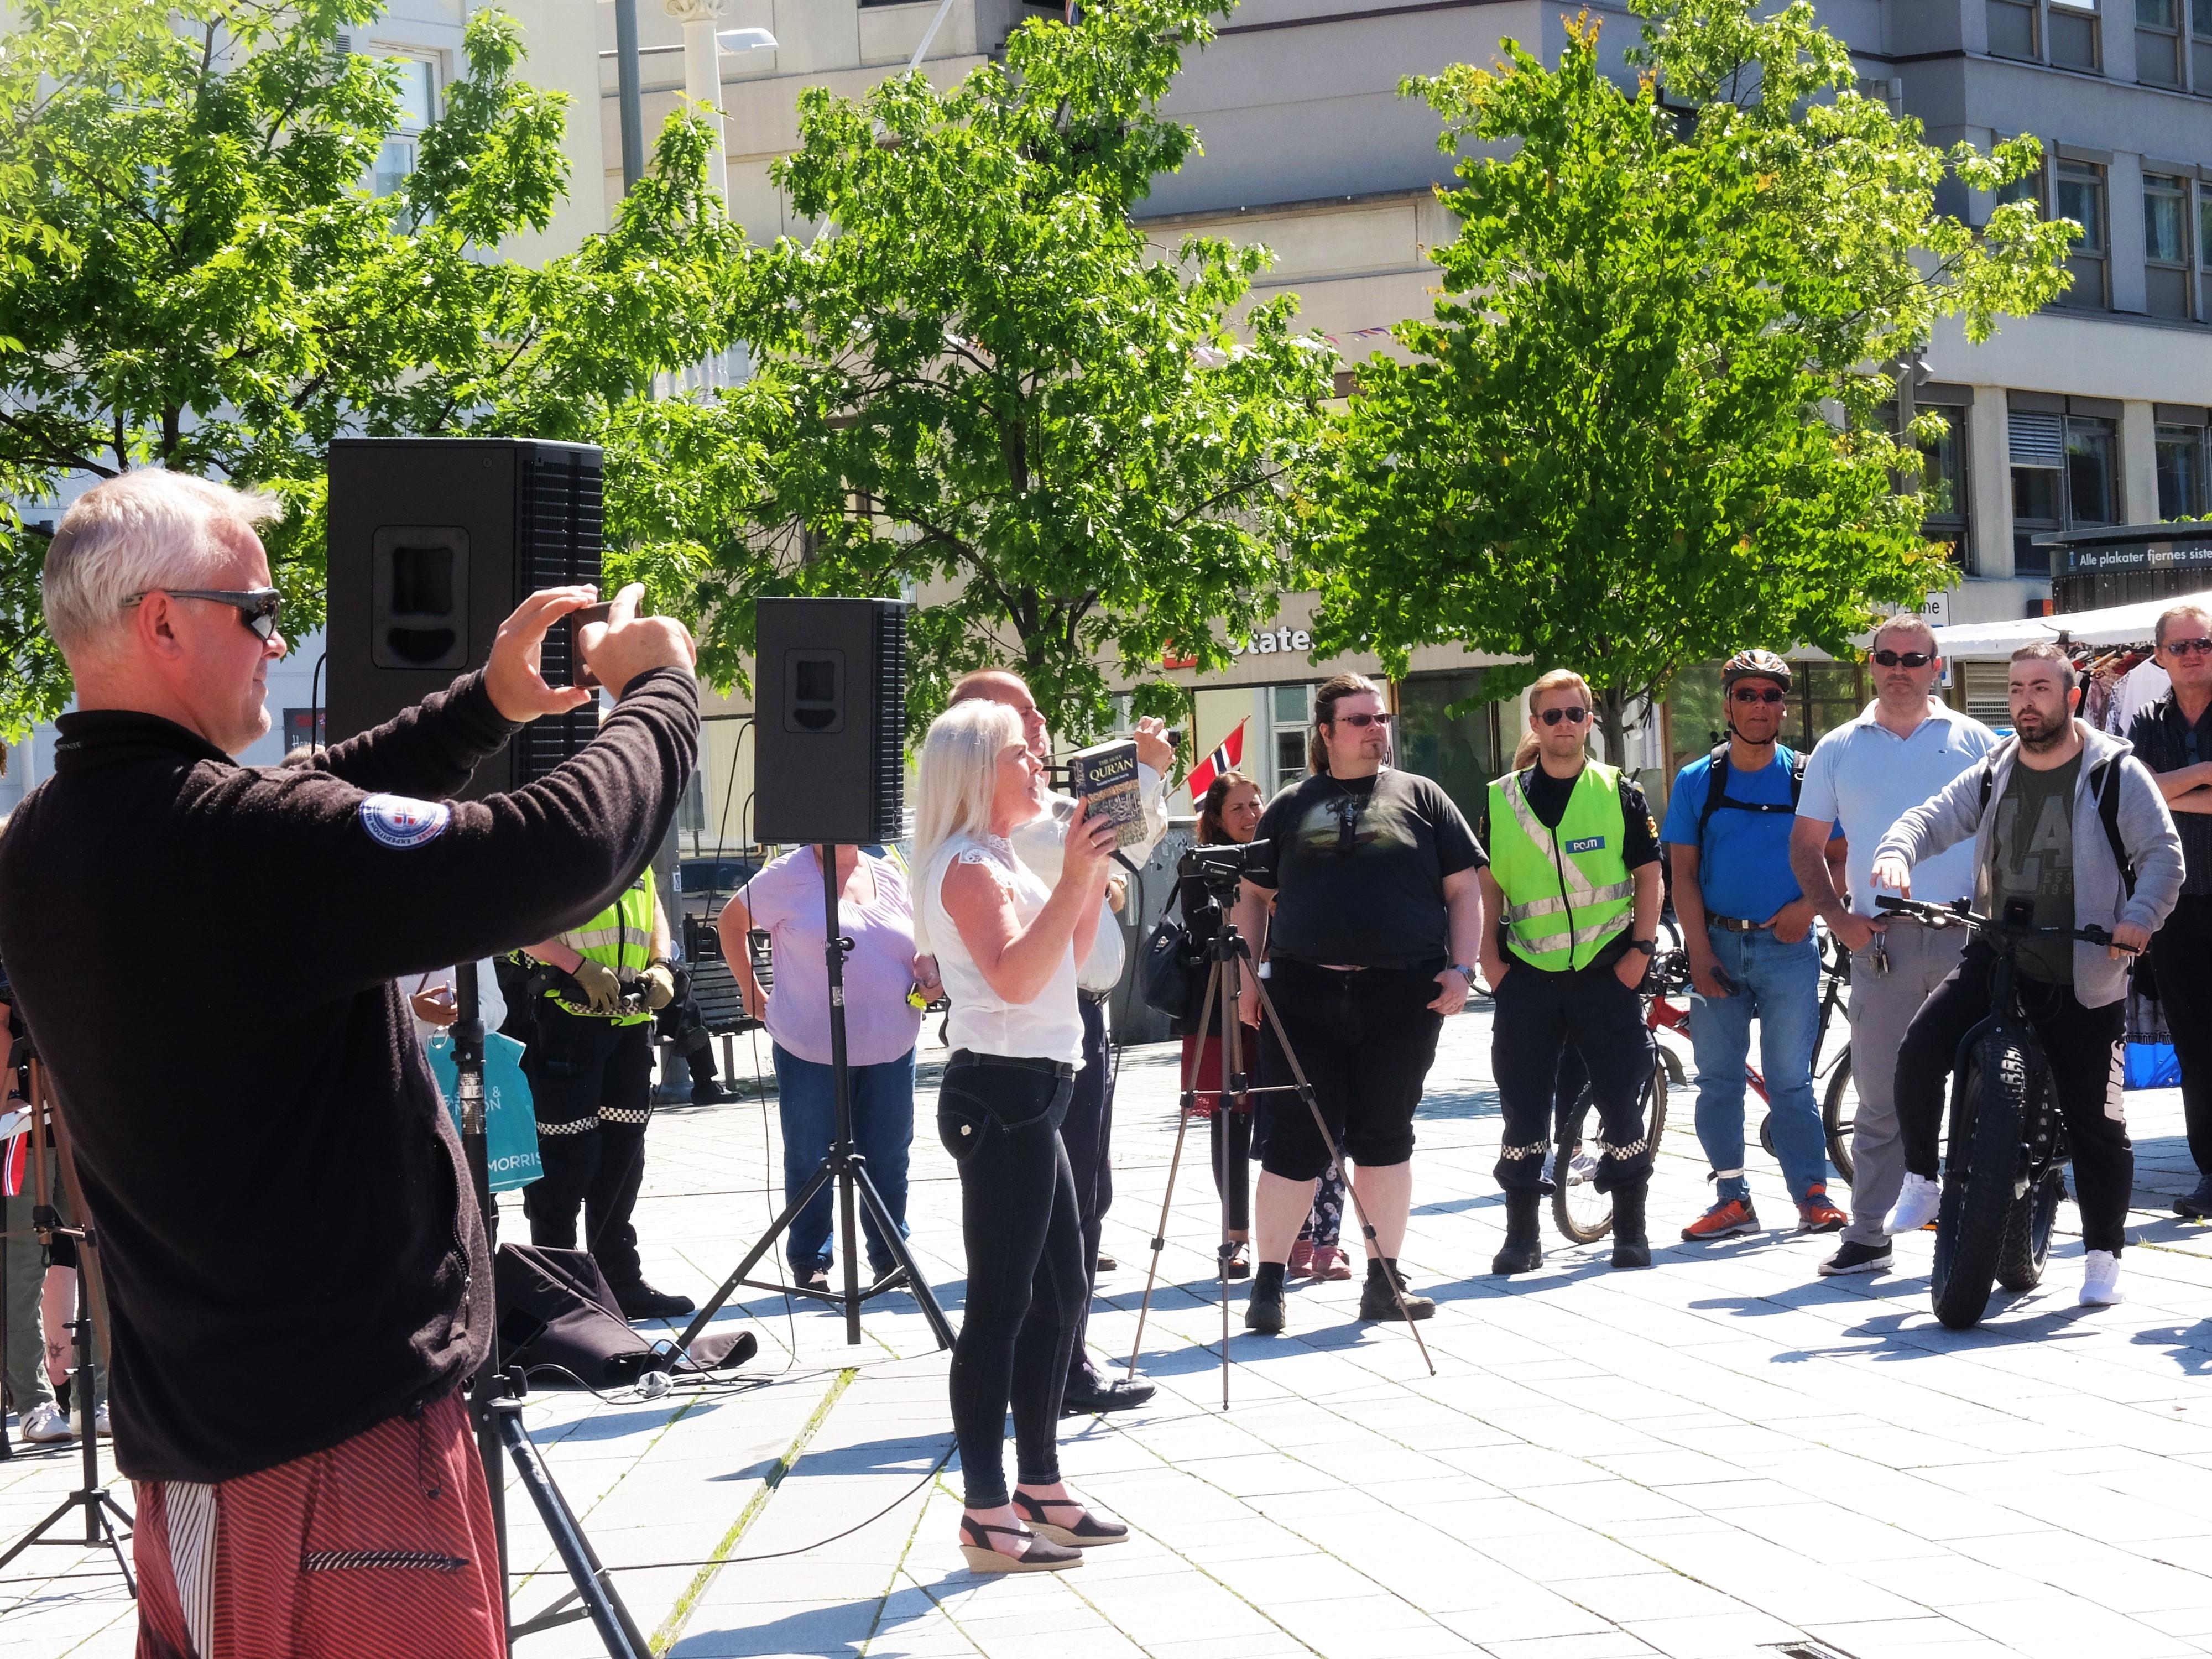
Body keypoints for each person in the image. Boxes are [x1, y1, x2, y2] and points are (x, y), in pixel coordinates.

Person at [0, 468, 698, 1652]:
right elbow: (555, 850)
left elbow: (307, 806)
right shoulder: (229, 845)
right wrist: (661, 692)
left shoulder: (53, 839)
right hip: (325, 1450)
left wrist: (485, 704)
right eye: (258, 613)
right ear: (161, 622)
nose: (280, 644)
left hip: (240, 1433)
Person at [1874, 641, 2181, 1306]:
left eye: (2040, 688)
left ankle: (2102, 1252)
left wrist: (2139, 918)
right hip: (1997, 952)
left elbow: (2162, 858)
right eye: (2015, 689)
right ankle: (1923, 1178)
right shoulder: (1994, 768)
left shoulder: (2113, 774)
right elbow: (1927, 819)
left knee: (2097, 1122)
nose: (2024, 701)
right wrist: (1898, 852)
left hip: (2084, 965)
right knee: (1919, 1052)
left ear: (2072, 696)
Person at [918, 697, 1127, 1574]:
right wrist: (1075, 880)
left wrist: (1092, 871)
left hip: (1036, 1084)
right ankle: (984, 1508)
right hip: (1000, 1090)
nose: (1040, 767)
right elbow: (1009, 980)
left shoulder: (1001, 856)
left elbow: (1068, 966)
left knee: (1062, 1292)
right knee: (1002, 1307)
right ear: (977, 771)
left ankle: (1039, 1485)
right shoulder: (967, 865)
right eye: (1022, 759)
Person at [941, 672, 1171, 1415]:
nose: (1040, 730)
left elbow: (1105, 849)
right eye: (1021, 723)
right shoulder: (997, 841)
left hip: (1065, 1028)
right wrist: (1143, 776)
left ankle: (1055, 1379)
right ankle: (1053, 1375)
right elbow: (1107, 836)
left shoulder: (1015, 832)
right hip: (1024, 1046)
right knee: (1045, 1237)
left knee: (1080, 1211)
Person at [1231, 672, 1486, 1333]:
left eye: (1381, 718)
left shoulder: (1423, 798)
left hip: (1401, 993)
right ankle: (1268, 1285)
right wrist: (1247, 980)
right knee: (1293, 1143)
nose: (1378, 730)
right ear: (1326, 733)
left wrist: (1462, 968)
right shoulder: (1289, 805)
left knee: (1385, 1137)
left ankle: (1384, 1278)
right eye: (1361, 720)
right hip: (1303, 992)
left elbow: (1464, 890)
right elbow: (1253, 898)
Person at [1790, 615, 1999, 1276]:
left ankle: (1971, 1223)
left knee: (1980, 1089)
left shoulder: (1976, 741)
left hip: (1969, 939)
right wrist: (1836, 916)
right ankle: (1869, 1231)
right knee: (1879, 1091)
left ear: (1936, 665)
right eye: (1889, 657)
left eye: (1915, 657)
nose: (1901, 668)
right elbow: (1804, 847)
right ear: (1870, 664)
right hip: (1880, 944)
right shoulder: (1838, 747)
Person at [1661, 650, 1849, 1241]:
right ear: (1727, 705)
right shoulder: (1698, 780)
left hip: (1787, 948)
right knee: (1717, 1079)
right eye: (1747, 695)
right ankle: (1731, 1198)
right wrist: (1698, 949)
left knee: (1789, 1079)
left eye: (1771, 696)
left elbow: (1841, 862)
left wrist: (1806, 909)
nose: (1759, 706)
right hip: (1717, 942)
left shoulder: (1808, 775)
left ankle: (1812, 1195)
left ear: (1783, 707)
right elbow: (1682, 875)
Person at [1479, 669, 1664, 1274]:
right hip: (1527, 976)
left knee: (1620, 1101)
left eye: (1574, 714)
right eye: (1551, 716)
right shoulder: (1500, 799)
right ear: (1533, 724)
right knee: (1522, 1106)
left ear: (1589, 720)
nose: (1564, 725)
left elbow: (1648, 876)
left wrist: (1639, 951)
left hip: (1606, 971)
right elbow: (1487, 889)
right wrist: (1489, 960)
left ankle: (1630, 1233)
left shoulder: (1618, 792)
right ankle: (1519, 1237)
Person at [717, 844, 934, 1293]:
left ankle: (891, 1257)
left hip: (890, 1043)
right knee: (810, 1156)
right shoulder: (787, 874)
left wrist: (932, 976)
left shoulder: (890, 872)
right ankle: (811, 1261)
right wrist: (749, 987)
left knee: (890, 1156)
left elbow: (921, 946)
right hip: (810, 1046)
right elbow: (731, 922)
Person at [517, 869, 693, 1319]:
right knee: (565, 1159)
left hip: (629, 1022)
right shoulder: (552, 838)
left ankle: (619, 1280)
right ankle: (559, 1288)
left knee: (623, 1158)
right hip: (564, 1020)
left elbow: (653, 910)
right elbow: (516, 926)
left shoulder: (635, 842)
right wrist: (578, 966)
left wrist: (661, 964)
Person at [2127, 602, 2212, 1218]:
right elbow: (2136, 798)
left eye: (2202, 644)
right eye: (2179, 646)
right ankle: (2210, 1171)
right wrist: (2204, 772)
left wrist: (2169, 788)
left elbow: (2155, 793)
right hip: (2176, 906)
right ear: (2159, 656)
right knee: (2195, 1041)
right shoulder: (2144, 723)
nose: (2191, 654)